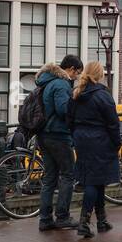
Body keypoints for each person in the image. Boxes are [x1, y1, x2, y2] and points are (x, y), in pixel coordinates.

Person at [67, 61, 120, 239]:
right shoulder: (102, 96)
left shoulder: (77, 94)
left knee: (97, 180)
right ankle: (84, 222)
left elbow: (70, 120)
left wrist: (76, 136)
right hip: (100, 140)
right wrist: (116, 142)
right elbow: (113, 123)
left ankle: (102, 220)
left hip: (82, 140)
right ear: (100, 75)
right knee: (93, 182)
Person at [35, 55, 83, 231]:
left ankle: (45, 219)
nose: (77, 77)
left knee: (49, 178)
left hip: (44, 135)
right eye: (77, 73)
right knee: (68, 175)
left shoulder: (46, 82)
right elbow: (63, 110)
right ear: (70, 69)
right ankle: (62, 216)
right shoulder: (61, 84)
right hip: (58, 135)